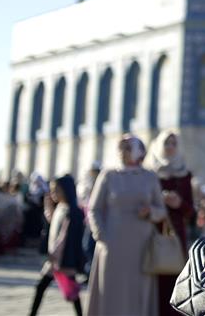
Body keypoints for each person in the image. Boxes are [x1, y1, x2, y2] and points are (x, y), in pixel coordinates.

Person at [86, 134, 167, 316]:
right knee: (111, 291)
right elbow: (94, 209)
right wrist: (102, 236)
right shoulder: (108, 175)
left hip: (142, 245)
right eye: (121, 147)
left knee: (138, 291)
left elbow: (161, 211)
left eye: (127, 148)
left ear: (139, 151)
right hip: (112, 244)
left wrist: (150, 212)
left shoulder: (150, 177)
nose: (122, 152)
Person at [147, 129, 196, 316]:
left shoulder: (184, 174)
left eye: (174, 143)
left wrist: (178, 203)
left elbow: (191, 211)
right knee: (153, 280)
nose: (170, 147)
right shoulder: (150, 174)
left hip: (176, 234)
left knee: (175, 279)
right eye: (166, 143)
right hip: (152, 232)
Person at [28, 175, 85, 316]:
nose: (53, 194)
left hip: (63, 259)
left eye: (56, 190)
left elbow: (64, 237)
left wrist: (54, 254)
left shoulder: (73, 212)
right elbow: (53, 221)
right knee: (41, 287)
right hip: (55, 259)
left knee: (72, 293)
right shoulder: (61, 207)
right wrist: (48, 207)